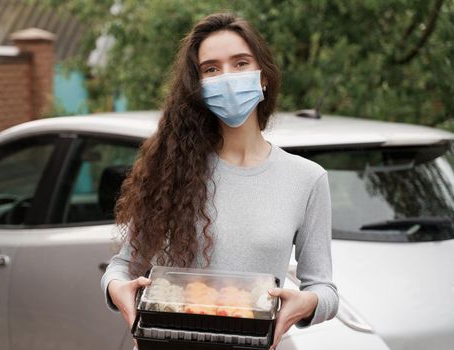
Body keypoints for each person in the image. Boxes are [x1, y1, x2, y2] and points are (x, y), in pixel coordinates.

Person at [101, 12, 339, 350]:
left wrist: (308, 304)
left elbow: (324, 289)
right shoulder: (171, 169)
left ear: (264, 77)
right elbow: (121, 267)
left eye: (240, 63)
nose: (227, 77)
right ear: (198, 86)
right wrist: (117, 290)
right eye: (211, 69)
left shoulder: (307, 178)